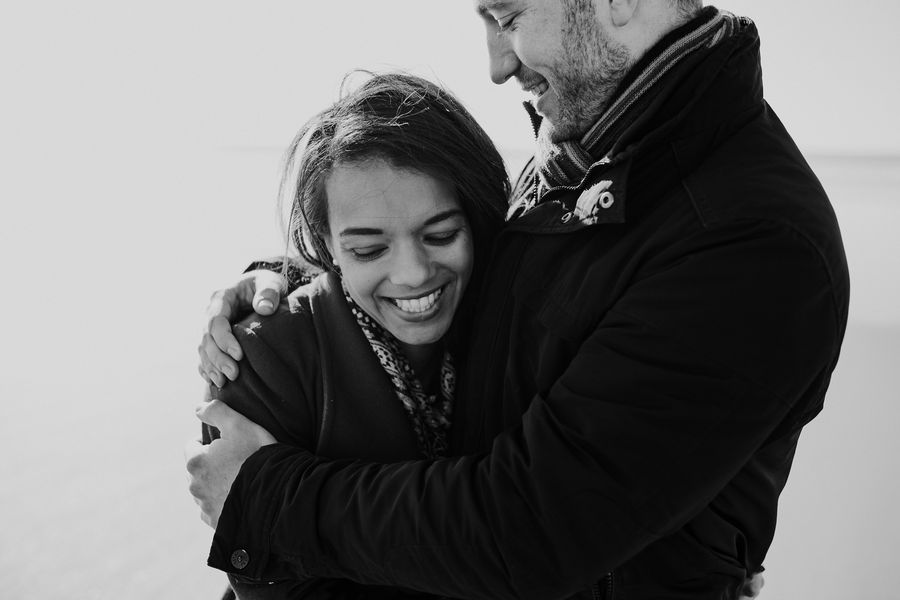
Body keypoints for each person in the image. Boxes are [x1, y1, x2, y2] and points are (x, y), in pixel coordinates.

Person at [188, 1, 850, 599]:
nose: (497, 65)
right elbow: (489, 272)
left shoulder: (750, 241)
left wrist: (266, 500)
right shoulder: (596, 145)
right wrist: (300, 288)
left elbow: (531, 528)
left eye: (506, 17)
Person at [190, 72, 509, 599]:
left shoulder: (512, 316)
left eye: (441, 235)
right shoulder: (260, 358)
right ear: (326, 245)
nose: (412, 273)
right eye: (368, 250)